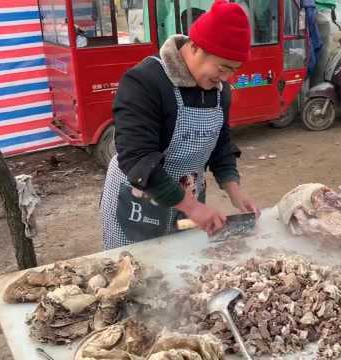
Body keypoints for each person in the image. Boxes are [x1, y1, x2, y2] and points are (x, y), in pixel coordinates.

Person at [101, 0, 260, 250]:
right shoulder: (145, 82)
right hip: (139, 201)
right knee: (136, 272)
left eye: (234, 70)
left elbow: (220, 146)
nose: (227, 78)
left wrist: (234, 190)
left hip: (189, 195)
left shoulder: (219, 91)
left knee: (184, 271)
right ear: (196, 47)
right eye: (223, 67)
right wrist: (193, 208)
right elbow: (136, 158)